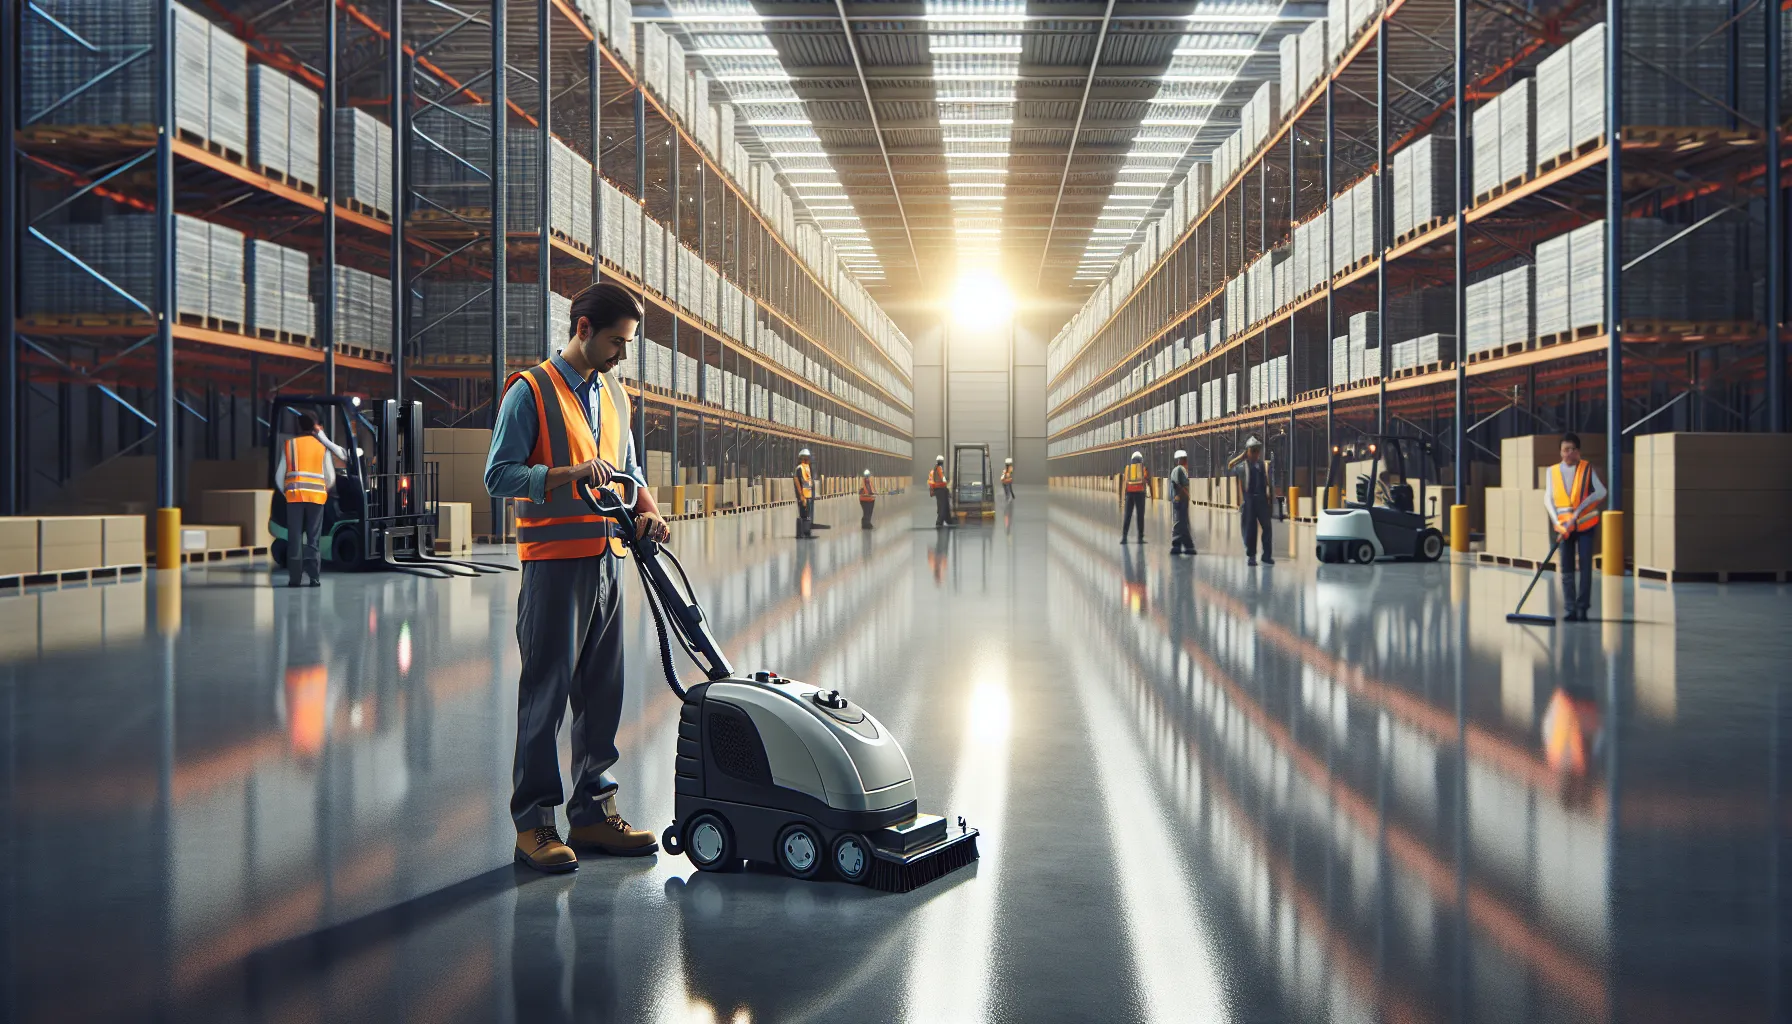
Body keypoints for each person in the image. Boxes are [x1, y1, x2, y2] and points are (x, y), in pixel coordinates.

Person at [485, 282, 672, 873]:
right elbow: (498, 476)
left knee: (602, 694)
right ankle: (534, 825)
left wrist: (648, 508)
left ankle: (592, 814)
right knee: (546, 696)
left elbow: (630, 466)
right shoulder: (530, 391)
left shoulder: (615, 395)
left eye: (629, 343)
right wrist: (564, 474)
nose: (623, 353)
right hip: (553, 568)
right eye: (617, 341)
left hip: (608, 562)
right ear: (584, 328)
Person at [275, 412, 348, 588]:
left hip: (294, 498)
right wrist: (324, 490)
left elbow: (279, 477)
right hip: (316, 498)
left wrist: (288, 493)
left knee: (294, 538)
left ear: (299, 426)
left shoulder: (290, 445)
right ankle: (314, 578)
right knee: (313, 538)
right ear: (316, 425)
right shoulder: (321, 447)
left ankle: (294, 579)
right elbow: (330, 477)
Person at [1544, 431, 1605, 621]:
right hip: (1564, 528)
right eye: (1565, 450)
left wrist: (1579, 511)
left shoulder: (1586, 468)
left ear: (1578, 451)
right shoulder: (1552, 471)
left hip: (1585, 526)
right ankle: (1570, 609)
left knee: (1585, 567)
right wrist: (1557, 523)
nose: (1569, 453)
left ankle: (1583, 608)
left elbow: (1602, 491)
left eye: (1572, 449)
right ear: (1560, 452)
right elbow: (1548, 498)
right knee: (1566, 568)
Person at [1228, 435, 1275, 566]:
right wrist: (1241, 457)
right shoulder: (1242, 467)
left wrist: (1270, 499)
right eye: (1252, 450)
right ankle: (1251, 556)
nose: (1255, 453)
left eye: (1257, 450)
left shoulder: (1261, 465)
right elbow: (1230, 467)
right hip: (1249, 501)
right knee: (1251, 529)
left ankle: (1266, 555)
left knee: (1267, 527)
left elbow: (1267, 483)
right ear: (1247, 452)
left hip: (1261, 499)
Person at [1168, 449, 1197, 556]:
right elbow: (1178, 484)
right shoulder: (1179, 469)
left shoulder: (1180, 470)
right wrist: (1182, 495)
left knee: (1181, 521)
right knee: (1181, 522)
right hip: (1180, 500)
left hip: (1180, 500)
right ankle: (1186, 546)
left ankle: (1178, 545)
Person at [1119, 451, 1149, 544]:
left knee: (1128, 515)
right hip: (1140, 494)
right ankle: (1140, 538)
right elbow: (1145, 480)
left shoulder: (1127, 468)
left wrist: (1123, 497)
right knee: (1140, 516)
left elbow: (1125, 482)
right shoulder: (1143, 469)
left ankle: (1124, 537)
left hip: (1129, 494)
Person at [794, 449, 815, 539]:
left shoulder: (808, 467)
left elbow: (809, 481)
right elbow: (797, 482)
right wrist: (801, 496)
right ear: (803, 458)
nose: (808, 459)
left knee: (809, 515)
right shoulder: (799, 468)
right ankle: (802, 532)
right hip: (804, 496)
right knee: (803, 514)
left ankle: (807, 531)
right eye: (807, 457)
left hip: (809, 495)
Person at [929, 455, 952, 527]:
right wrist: (947, 483)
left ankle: (947, 520)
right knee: (942, 506)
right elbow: (943, 479)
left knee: (943, 506)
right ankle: (940, 522)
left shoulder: (934, 470)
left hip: (939, 490)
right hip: (940, 490)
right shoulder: (938, 469)